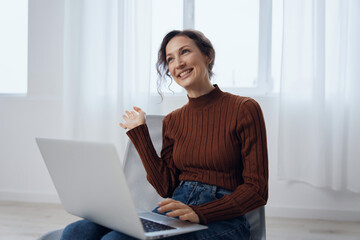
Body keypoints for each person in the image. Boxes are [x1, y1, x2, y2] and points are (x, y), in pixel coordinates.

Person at [61, 29, 268, 240]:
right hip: (175, 210)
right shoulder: (173, 120)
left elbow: (257, 190)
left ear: (208, 55)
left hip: (224, 220)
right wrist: (139, 135)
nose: (178, 63)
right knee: (75, 232)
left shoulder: (244, 109)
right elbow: (165, 186)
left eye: (185, 52)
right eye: (170, 59)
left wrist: (200, 213)